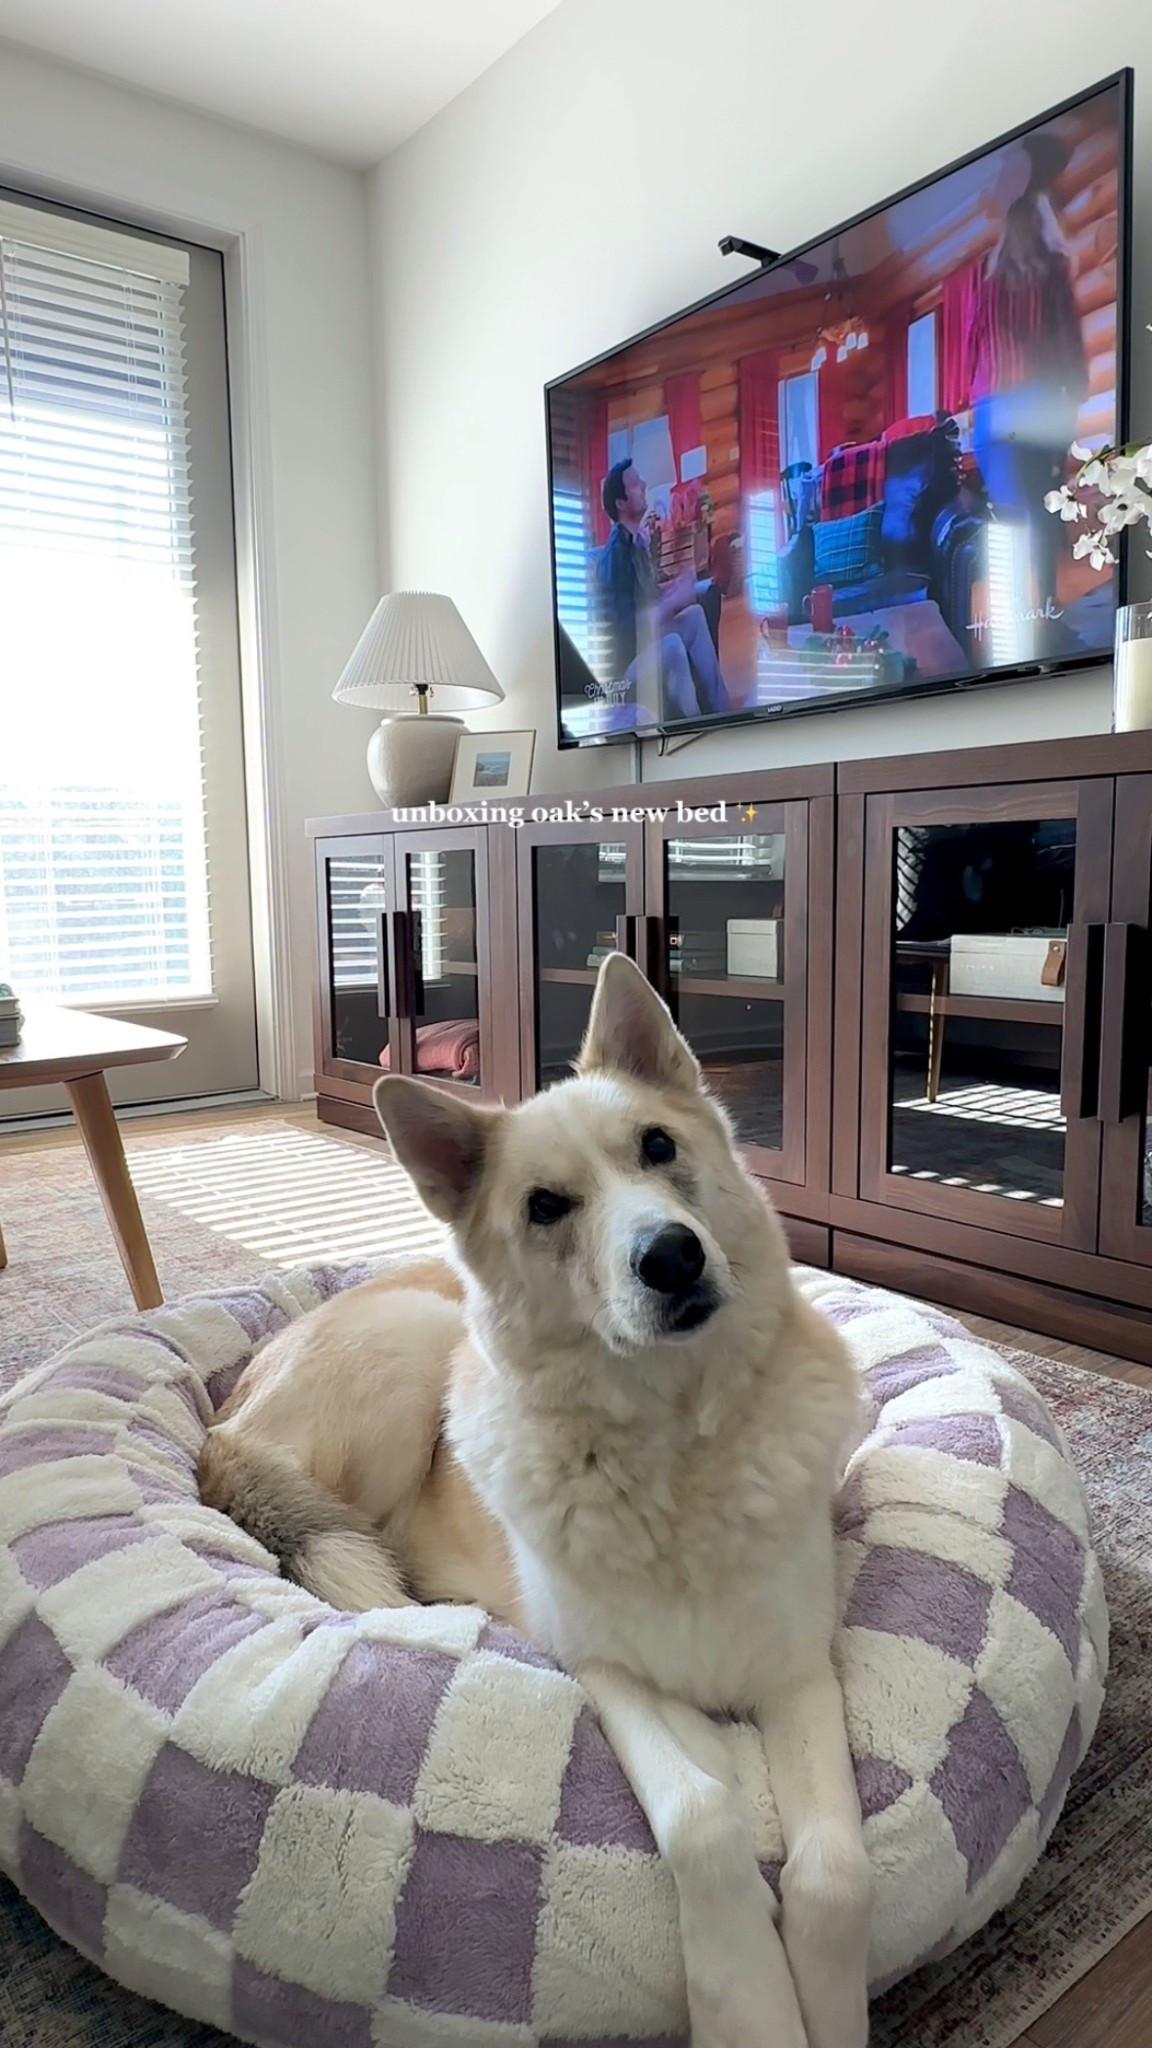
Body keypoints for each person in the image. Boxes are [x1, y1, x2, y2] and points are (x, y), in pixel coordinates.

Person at [966, 133, 1088, 627]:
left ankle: (1032, 614)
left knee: (1021, 514)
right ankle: (1043, 609)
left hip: (1004, 408)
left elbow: (977, 345)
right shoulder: (1042, 269)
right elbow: (1066, 341)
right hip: (1031, 405)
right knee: (1036, 510)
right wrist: (1073, 398)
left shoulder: (993, 276)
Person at [595, 459, 730, 722]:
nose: (644, 485)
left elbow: (647, 600)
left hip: (642, 646)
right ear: (621, 503)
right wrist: (673, 601)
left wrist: (674, 590)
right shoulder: (616, 556)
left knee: (695, 615)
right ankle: (697, 726)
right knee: (672, 645)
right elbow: (629, 628)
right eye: (635, 483)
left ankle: (725, 714)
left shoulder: (636, 543)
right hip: (624, 668)